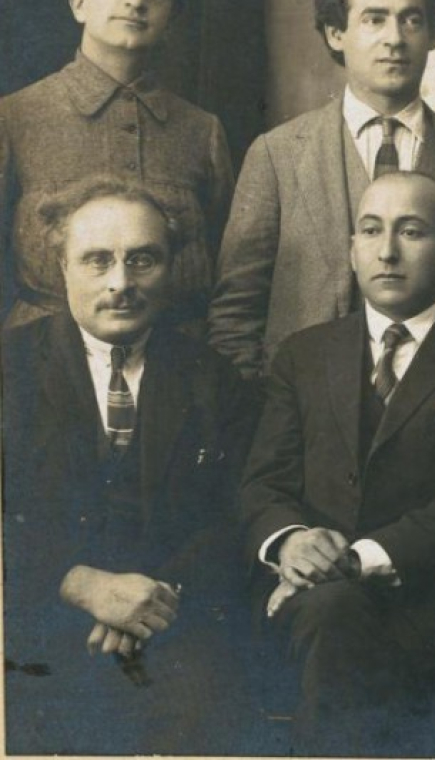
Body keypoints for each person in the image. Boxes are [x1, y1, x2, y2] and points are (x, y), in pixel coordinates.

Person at [238, 171, 435, 752]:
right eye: (371, 230)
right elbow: (263, 482)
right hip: (303, 600)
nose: (387, 251)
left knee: (338, 618)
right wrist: (291, 542)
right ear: (351, 250)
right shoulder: (304, 353)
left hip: (432, 601)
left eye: (412, 232)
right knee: (328, 614)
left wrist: (356, 560)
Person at [2, 176, 254, 755]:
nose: (121, 283)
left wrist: (155, 598)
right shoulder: (8, 371)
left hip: (175, 625)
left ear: (170, 269)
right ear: (60, 266)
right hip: (38, 620)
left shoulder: (214, 380)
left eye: (143, 260)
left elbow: (238, 512)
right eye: (97, 261)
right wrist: (79, 584)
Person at [210, 0, 435, 377]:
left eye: (412, 20)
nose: (394, 38)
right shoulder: (278, 154)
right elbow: (235, 310)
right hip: (306, 416)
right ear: (336, 33)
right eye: (374, 19)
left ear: (434, 35)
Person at [0, 0, 234, 330]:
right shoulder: (15, 117)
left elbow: (228, 270)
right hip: (41, 361)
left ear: (168, 20)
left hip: (175, 361)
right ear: (79, 3)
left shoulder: (202, 131)